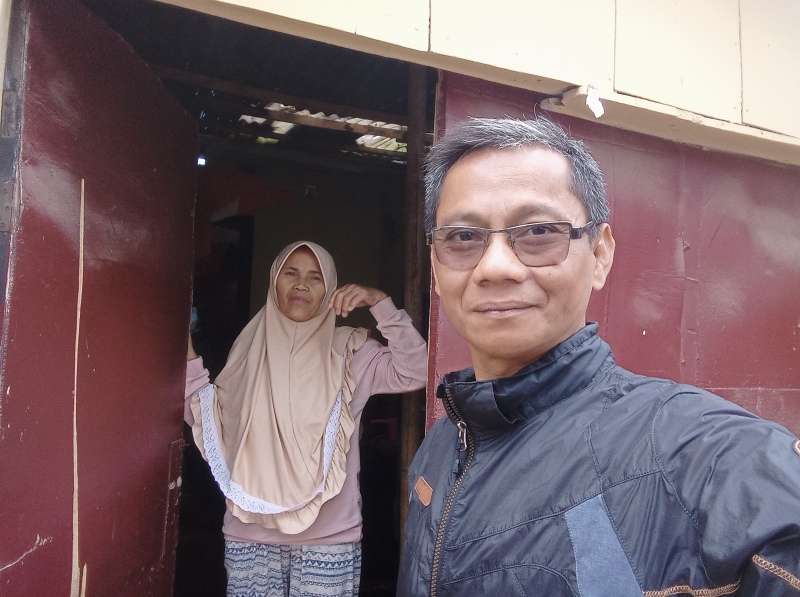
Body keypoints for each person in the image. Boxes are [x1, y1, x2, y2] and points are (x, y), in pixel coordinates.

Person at [397, 118, 800, 596]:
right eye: (464, 237)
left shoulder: (709, 459)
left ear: (600, 254)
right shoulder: (440, 448)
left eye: (539, 230)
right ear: (436, 269)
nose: (496, 267)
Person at [185, 240, 428, 597]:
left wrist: (379, 302)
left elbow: (417, 371)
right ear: (274, 282)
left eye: (315, 277)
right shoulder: (248, 350)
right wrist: (185, 351)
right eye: (291, 273)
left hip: (329, 537)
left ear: (330, 290)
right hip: (250, 535)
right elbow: (209, 417)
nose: (301, 284)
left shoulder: (351, 352)